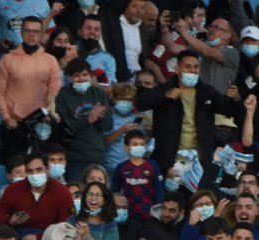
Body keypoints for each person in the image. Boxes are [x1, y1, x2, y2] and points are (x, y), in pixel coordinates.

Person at [136, 50, 241, 190]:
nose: (192, 70)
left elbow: (230, 110)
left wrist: (235, 98)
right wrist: (165, 96)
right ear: (177, 69)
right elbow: (141, 103)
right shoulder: (165, 89)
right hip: (170, 164)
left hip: (199, 163)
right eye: (188, 66)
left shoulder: (206, 92)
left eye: (196, 67)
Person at [0, 16, 62, 165]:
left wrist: (51, 110)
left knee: (41, 168)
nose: (32, 35)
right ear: (22, 32)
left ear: (41, 33)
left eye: (36, 31)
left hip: (41, 124)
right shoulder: (7, 59)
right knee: (14, 170)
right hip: (15, 125)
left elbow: (55, 88)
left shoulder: (50, 60)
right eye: (28, 31)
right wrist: (5, 118)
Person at [0, 152, 74, 240]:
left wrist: (39, 237)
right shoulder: (13, 189)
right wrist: (9, 221)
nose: (35, 174)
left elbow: (66, 226)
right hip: (18, 237)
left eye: (39, 170)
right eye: (30, 171)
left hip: (49, 239)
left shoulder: (62, 192)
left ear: (47, 169)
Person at [55, 58, 112, 181]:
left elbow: (108, 127)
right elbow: (63, 129)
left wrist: (101, 118)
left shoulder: (99, 93)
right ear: (70, 77)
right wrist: (88, 119)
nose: (81, 79)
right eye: (77, 75)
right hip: (75, 158)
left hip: (97, 155)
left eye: (85, 75)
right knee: (77, 195)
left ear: (91, 76)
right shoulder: (62, 96)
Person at [111, 129, 164, 221]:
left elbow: (159, 189)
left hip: (150, 215)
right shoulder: (121, 168)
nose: (139, 147)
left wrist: (157, 212)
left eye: (142, 144)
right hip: (128, 216)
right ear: (126, 148)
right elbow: (115, 192)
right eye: (135, 144)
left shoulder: (153, 165)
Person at [100, 0, 150, 82]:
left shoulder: (142, 29)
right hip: (119, 75)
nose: (139, 11)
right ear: (126, 7)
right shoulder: (114, 26)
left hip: (138, 76)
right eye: (134, 7)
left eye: (142, 8)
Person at [103, 83, 142, 176]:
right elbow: (104, 142)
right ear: (114, 99)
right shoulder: (108, 117)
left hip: (130, 167)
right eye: (121, 99)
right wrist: (122, 130)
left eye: (128, 99)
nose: (125, 102)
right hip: (111, 166)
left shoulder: (135, 118)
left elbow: (141, 142)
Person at [77, 14, 117, 88]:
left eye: (96, 29)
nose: (92, 32)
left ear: (100, 33)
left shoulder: (108, 59)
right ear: (79, 31)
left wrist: (96, 85)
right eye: (88, 28)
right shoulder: (70, 50)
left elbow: (110, 88)